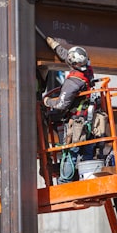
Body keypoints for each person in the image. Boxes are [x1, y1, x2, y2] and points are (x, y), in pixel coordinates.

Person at [42, 40, 96, 184]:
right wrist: (55, 46)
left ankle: (65, 182)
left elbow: (61, 104)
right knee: (87, 148)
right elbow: (68, 57)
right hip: (88, 118)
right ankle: (88, 176)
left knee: (69, 151)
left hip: (76, 121)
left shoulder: (73, 82)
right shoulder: (87, 70)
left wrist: (46, 101)